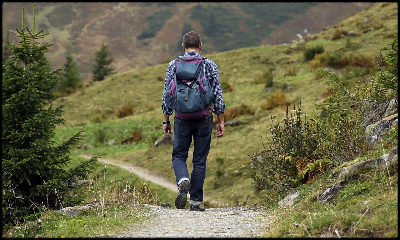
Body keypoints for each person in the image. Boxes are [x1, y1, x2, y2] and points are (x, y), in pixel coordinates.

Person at [161, 31, 225, 211]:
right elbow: (218, 94)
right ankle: (196, 202)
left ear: (183, 47)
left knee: (179, 155)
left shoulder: (173, 65)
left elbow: (167, 94)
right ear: (200, 46)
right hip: (204, 117)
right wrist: (220, 120)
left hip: (181, 118)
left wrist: (166, 120)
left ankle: (183, 179)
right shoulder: (209, 65)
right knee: (199, 160)